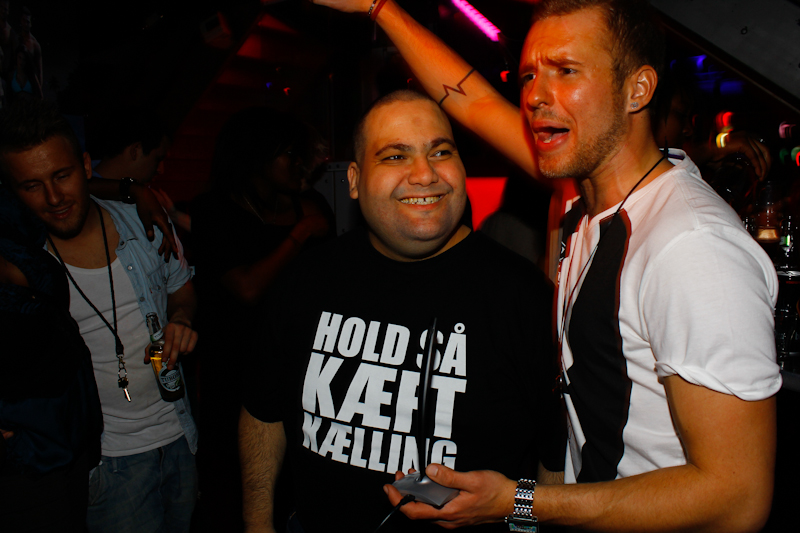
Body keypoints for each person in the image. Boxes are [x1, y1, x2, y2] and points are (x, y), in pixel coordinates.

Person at [326, 2, 775, 532]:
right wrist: (380, 8)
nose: (536, 95)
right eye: (529, 76)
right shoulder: (584, 191)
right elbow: (474, 102)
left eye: (565, 71)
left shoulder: (692, 249)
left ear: (637, 89)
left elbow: (737, 498)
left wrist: (518, 502)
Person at [238, 90, 563, 533]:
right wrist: (257, 524)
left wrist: (519, 510)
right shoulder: (305, 280)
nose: (425, 174)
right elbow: (263, 412)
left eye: (441, 152)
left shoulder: (525, 299)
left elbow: (557, 458)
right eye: (395, 156)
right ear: (354, 180)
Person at [0, 100, 200, 533]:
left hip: (179, 437)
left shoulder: (143, 224)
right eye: (32, 185)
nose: (54, 198)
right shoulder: (22, 269)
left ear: (86, 166)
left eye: (62, 175)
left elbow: (181, 287)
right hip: (106, 463)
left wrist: (182, 319)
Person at [189, 107, 332, 531]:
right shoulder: (216, 210)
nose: (299, 163)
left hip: (300, 372)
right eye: (289, 154)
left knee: (300, 489)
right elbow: (247, 288)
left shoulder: (311, 205)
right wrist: (299, 234)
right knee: (240, 494)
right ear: (257, 156)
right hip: (234, 374)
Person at [91, 106, 170, 185]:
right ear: (136, 150)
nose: (161, 170)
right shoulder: (87, 190)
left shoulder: (88, 179)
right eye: (158, 159)